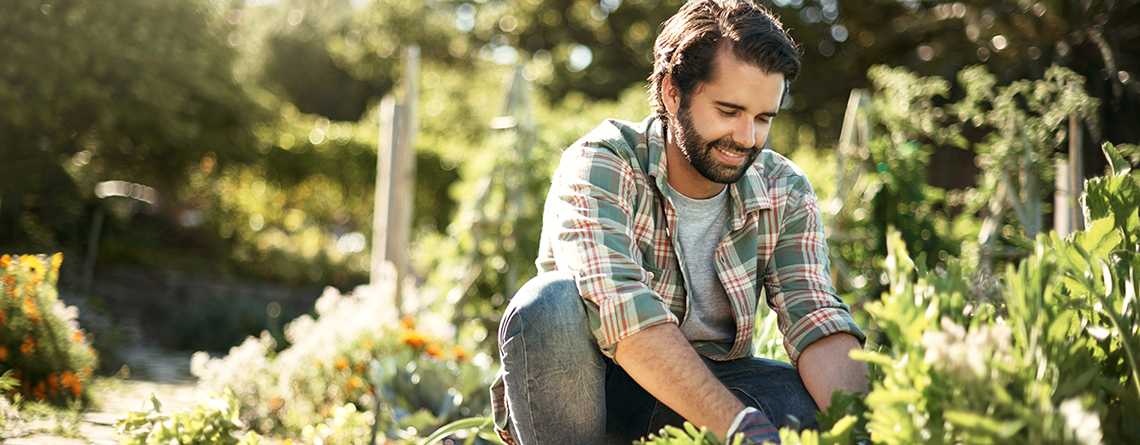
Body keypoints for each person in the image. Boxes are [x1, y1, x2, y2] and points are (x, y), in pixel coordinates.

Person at [490, 1, 868, 444]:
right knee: (548, 304)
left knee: (802, 400)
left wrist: (866, 431)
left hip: (703, 391)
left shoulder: (784, 188)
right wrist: (740, 426)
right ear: (673, 91)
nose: (747, 138)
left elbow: (815, 317)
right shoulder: (601, 163)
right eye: (729, 111)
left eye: (763, 118)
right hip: (595, 394)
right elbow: (624, 315)